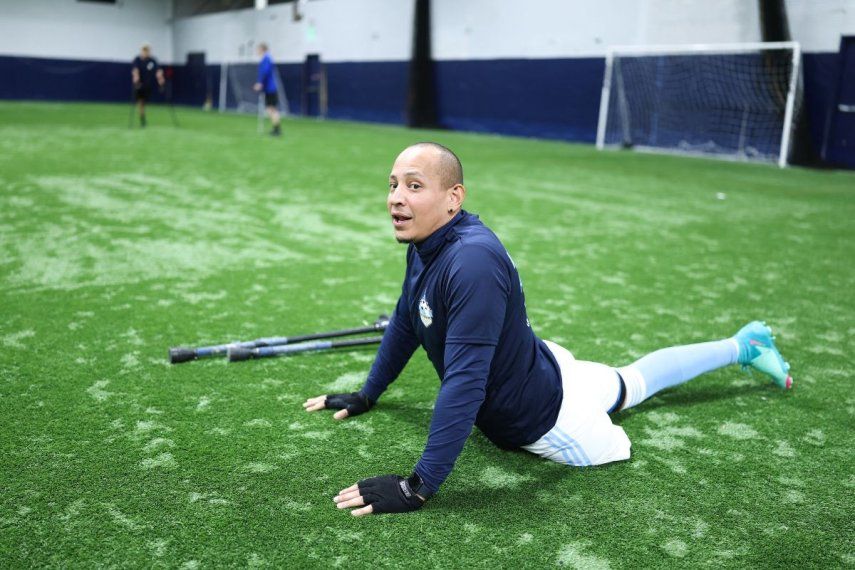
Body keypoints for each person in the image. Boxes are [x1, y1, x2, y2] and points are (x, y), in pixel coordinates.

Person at [303, 142, 793, 516]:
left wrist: (417, 486)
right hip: (541, 364)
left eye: (413, 186)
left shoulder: (469, 260)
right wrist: (368, 394)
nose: (395, 198)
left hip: (550, 420)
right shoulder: (427, 245)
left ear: (454, 198)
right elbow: (410, 317)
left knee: (633, 390)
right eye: (392, 185)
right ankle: (743, 343)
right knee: (630, 379)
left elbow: (465, 382)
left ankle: (743, 344)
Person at [131, 43, 165, 128]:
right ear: (142, 50)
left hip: (148, 85)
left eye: (147, 50)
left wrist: (160, 79)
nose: (146, 52)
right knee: (140, 103)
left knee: (144, 103)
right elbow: (135, 70)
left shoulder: (152, 60)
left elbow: (158, 71)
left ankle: (143, 118)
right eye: (144, 50)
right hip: (139, 85)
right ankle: (142, 120)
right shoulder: (137, 59)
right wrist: (136, 77)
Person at [253, 42, 281, 136]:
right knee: (270, 109)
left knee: (271, 109)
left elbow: (265, 72)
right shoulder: (266, 58)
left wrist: (260, 83)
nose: (257, 51)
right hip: (268, 88)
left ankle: (277, 129)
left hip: (270, 89)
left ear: (262, 49)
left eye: (258, 49)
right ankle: (276, 129)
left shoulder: (266, 58)